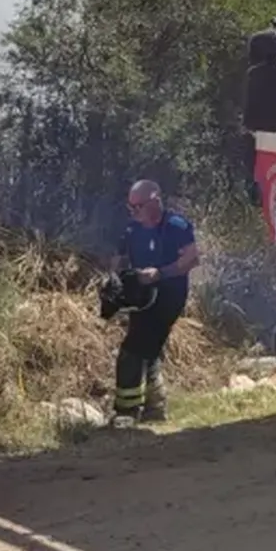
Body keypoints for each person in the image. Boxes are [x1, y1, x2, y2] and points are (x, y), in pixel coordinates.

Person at [110, 179, 201, 428]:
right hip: (142, 298)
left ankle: (126, 412)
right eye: (131, 207)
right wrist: (115, 281)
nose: (134, 212)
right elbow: (119, 258)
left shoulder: (176, 226)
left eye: (138, 206)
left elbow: (192, 259)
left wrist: (160, 273)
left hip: (169, 296)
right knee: (147, 350)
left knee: (132, 350)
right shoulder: (131, 230)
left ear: (155, 201)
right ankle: (155, 406)